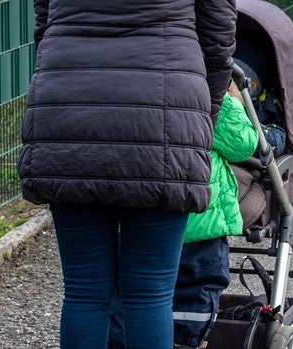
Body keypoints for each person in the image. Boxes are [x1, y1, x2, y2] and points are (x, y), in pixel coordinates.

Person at [17, 1, 237, 348]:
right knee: (149, 293)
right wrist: (200, 115)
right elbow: (218, 35)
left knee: (84, 291)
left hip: (70, 108)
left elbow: (45, 23)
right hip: (165, 112)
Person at [108, 81, 259, 349]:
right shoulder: (207, 84)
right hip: (201, 219)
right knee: (196, 288)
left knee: (133, 288)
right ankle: (187, 342)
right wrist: (234, 100)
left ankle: (125, 341)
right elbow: (242, 144)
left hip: (139, 210)